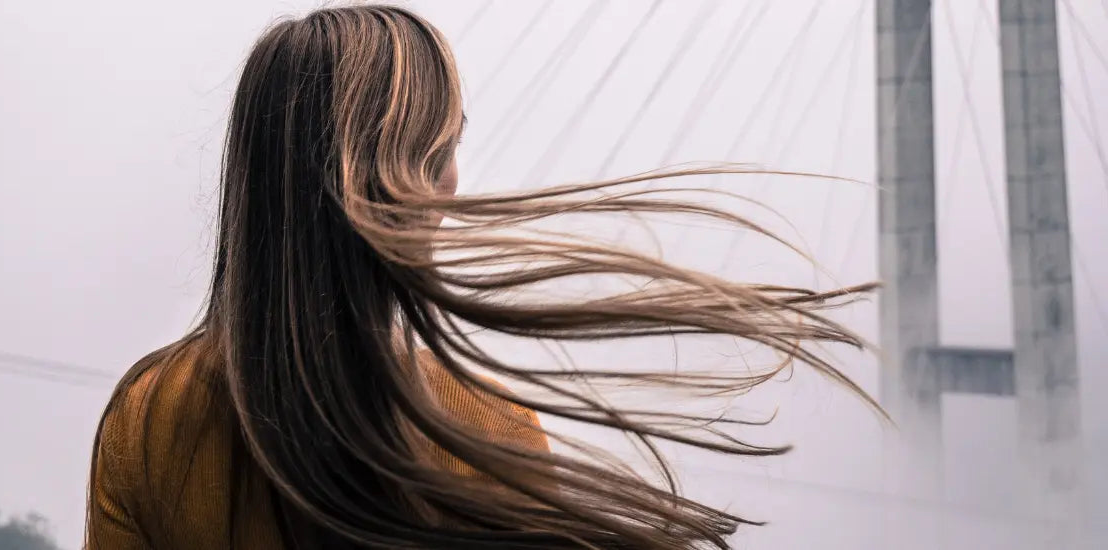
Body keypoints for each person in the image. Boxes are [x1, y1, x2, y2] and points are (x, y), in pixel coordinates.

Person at [85, 5, 875, 549]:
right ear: (381, 176)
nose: (454, 184)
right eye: (439, 150)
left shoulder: (148, 415)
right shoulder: (484, 426)